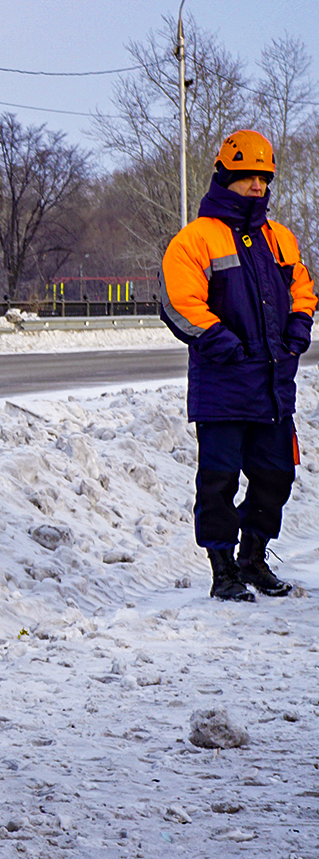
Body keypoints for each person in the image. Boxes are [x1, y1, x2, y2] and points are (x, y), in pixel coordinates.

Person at [162, 129, 313, 601]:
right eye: (248, 176)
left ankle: (252, 557)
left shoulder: (279, 239)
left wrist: (297, 329)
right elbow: (178, 303)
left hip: (272, 385)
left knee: (276, 477)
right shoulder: (194, 239)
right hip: (223, 386)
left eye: (264, 178)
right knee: (219, 480)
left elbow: (303, 290)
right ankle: (223, 568)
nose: (257, 186)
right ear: (225, 175)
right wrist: (223, 343)